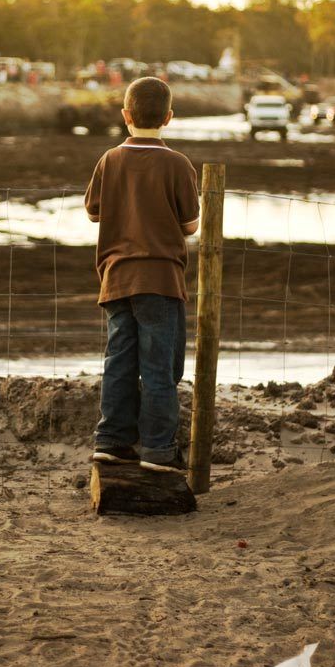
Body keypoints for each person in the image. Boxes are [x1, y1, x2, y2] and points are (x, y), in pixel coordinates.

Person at [85, 76, 200, 473]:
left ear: (125, 115)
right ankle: (158, 449)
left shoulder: (109, 160)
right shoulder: (178, 164)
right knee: (160, 366)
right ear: (168, 117)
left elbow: (94, 213)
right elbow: (190, 226)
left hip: (116, 276)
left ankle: (112, 440)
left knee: (118, 360)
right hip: (161, 279)